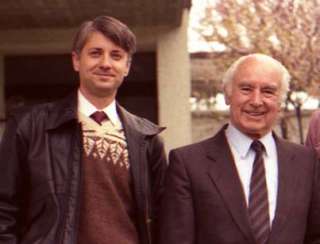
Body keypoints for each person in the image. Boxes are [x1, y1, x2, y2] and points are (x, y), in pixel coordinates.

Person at [0, 16, 167, 244]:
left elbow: (163, 219)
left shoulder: (147, 140)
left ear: (127, 67)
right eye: (96, 53)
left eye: (116, 55)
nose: (106, 63)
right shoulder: (29, 126)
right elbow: (4, 209)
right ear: (76, 60)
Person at [159, 53, 320, 244]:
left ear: (280, 102)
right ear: (228, 95)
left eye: (268, 91)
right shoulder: (187, 164)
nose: (256, 101)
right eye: (246, 89)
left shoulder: (307, 162)